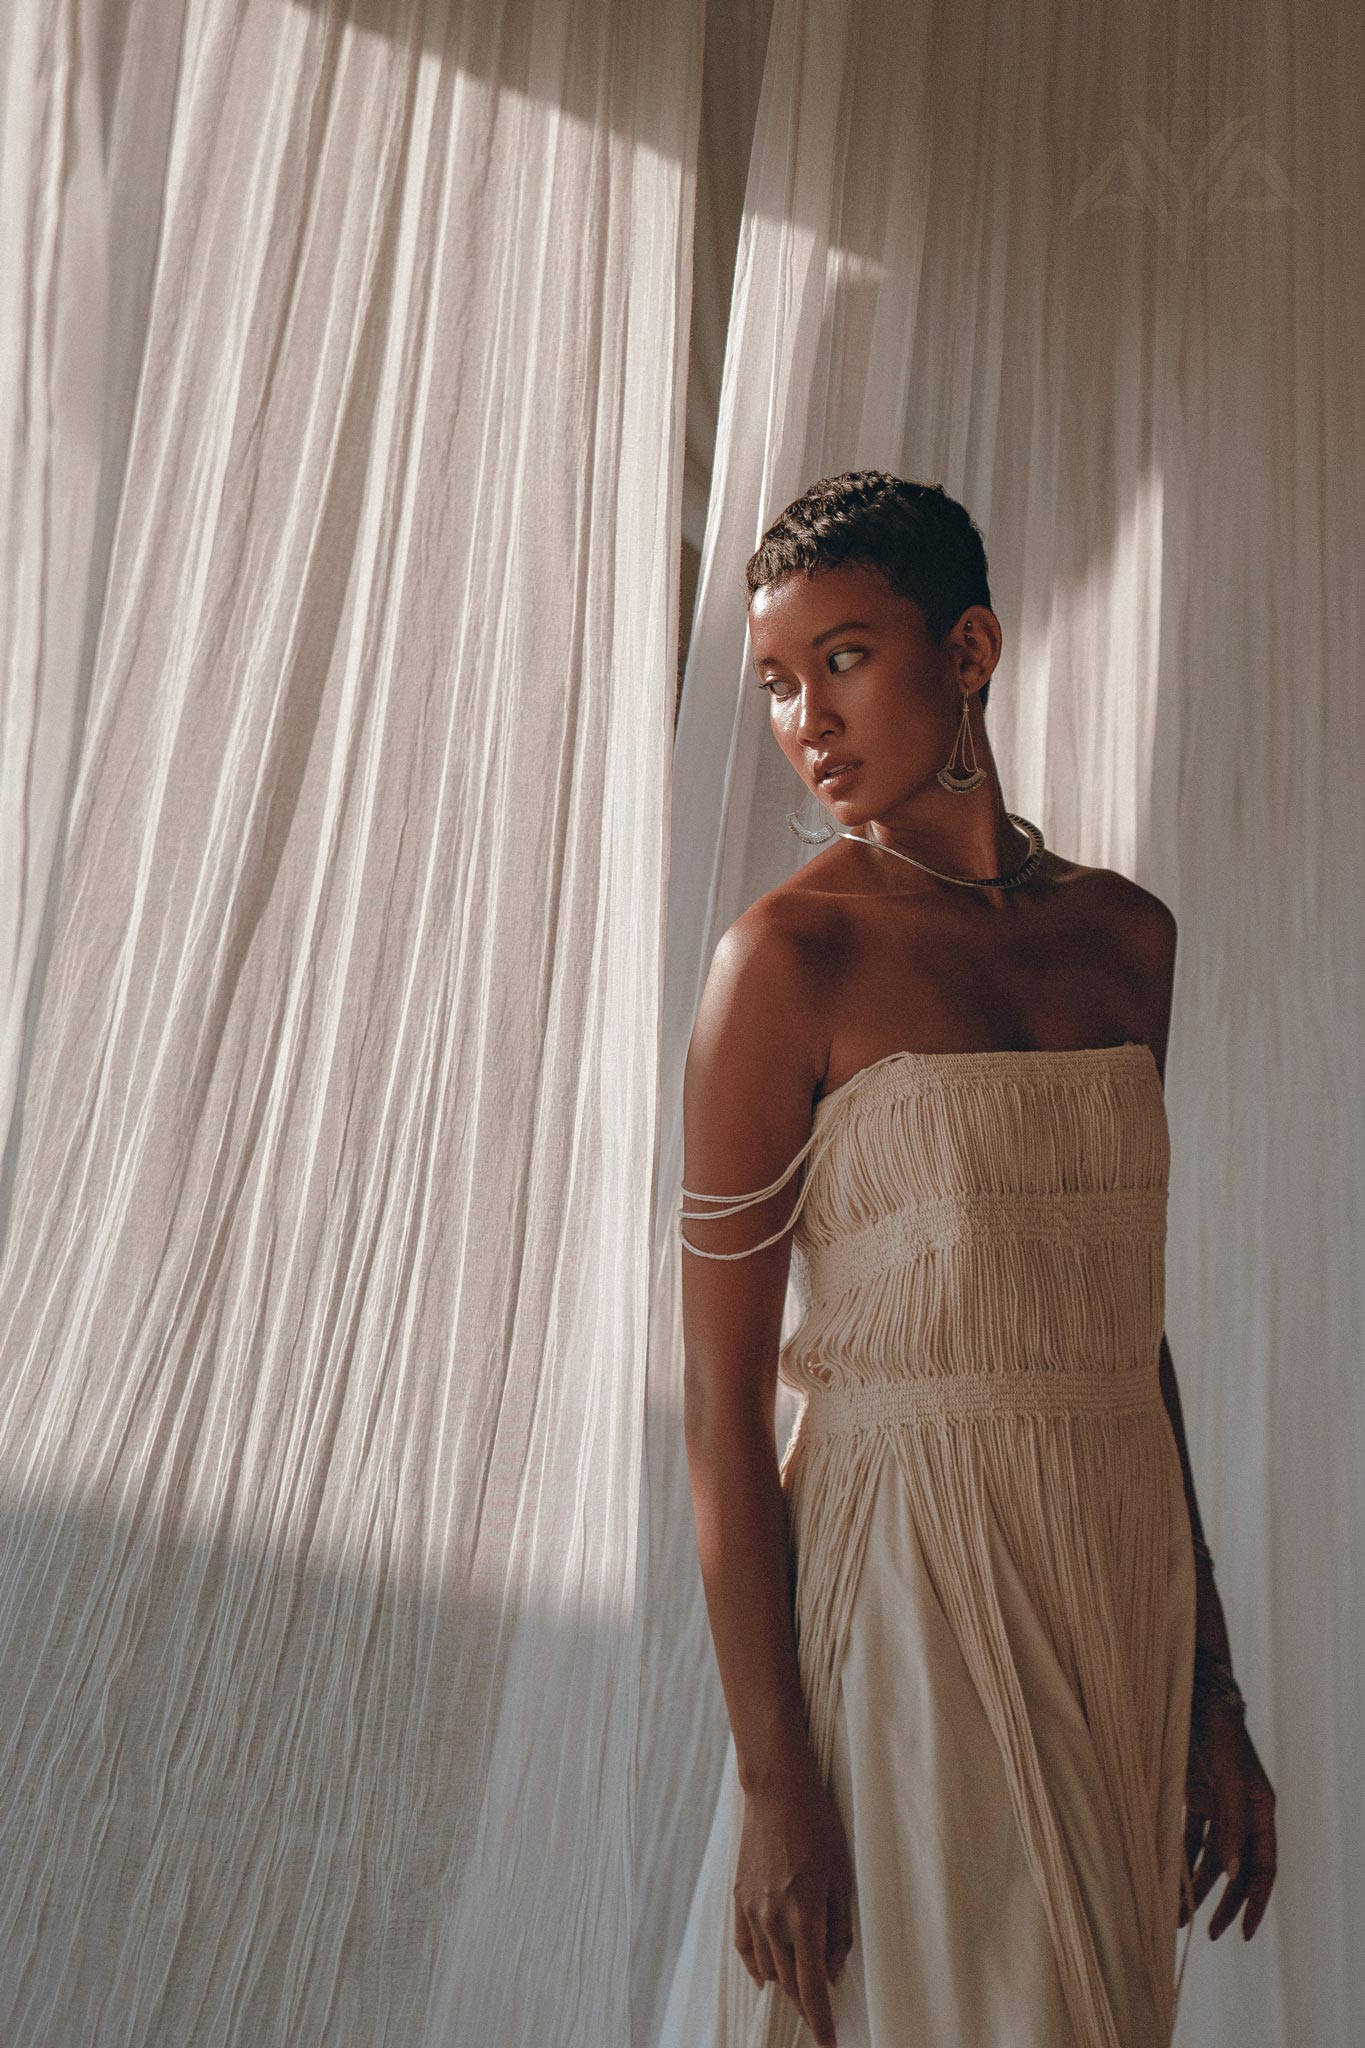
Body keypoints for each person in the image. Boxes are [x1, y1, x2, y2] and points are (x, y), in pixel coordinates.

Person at [661, 472, 1276, 2048]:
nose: (805, 719)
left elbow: (1118, 1330)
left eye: (843, 658)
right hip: (908, 1584)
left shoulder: (1125, 939)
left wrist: (1212, 1691)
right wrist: (774, 1782)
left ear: (970, 648)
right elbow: (719, 1406)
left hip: (1112, 1575)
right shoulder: (784, 960)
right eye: (775, 681)